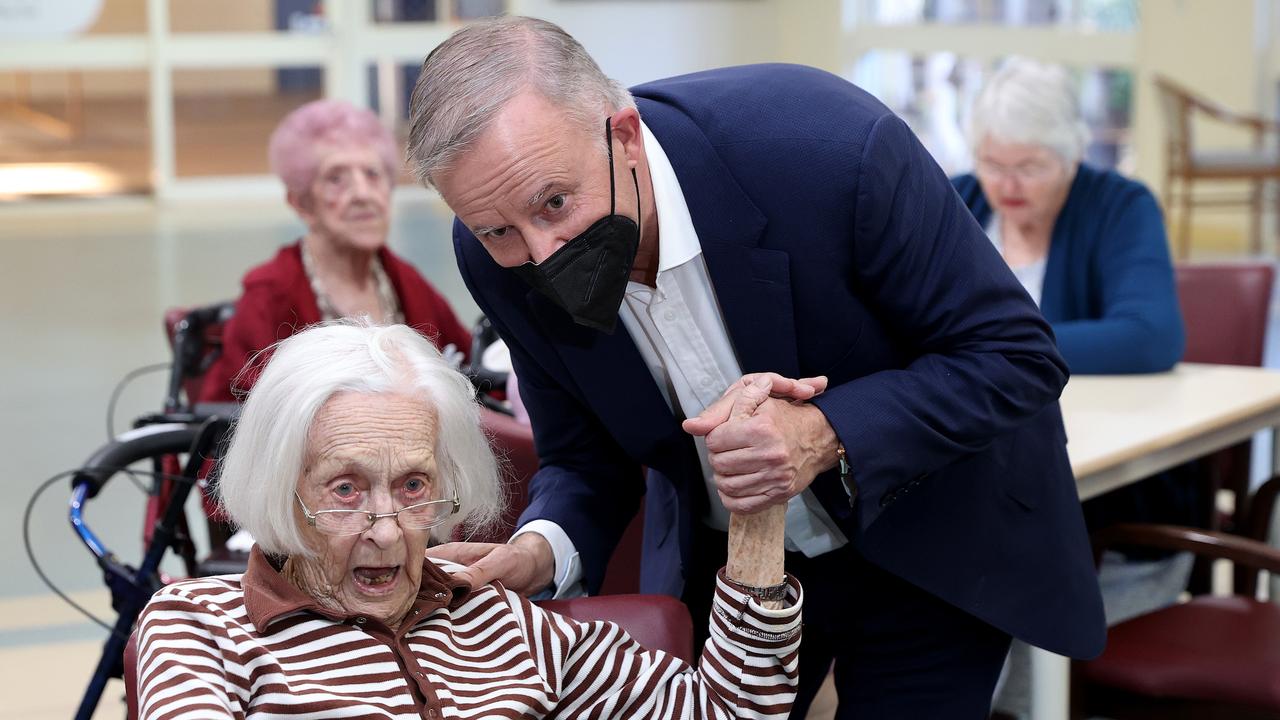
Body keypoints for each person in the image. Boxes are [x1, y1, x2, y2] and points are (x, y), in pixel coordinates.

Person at [407, 16, 1105, 718]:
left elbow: (1015, 355)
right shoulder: (491, 256)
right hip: (729, 572)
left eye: (555, 202)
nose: (541, 252)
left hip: (929, 537)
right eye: (499, 230)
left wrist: (823, 431)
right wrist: (539, 550)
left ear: (623, 135)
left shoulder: (826, 148)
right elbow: (584, 458)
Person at [135, 322, 803, 719]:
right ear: (283, 489)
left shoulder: (500, 619)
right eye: (346, 489)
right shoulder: (200, 627)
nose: (389, 531)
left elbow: (725, 713)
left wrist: (757, 521)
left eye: (414, 485)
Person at [952, 58, 1190, 719]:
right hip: (983, 482)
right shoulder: (960, 200)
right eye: (992, 162)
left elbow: (1148, 336)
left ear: (1073, 155)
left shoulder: (1118, 205)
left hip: (1110, 506)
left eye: (1029, 166)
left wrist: (1001, 353)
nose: (1006, 184)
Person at [199, 99, 472, 404]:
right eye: (336, 179)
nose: (362, 194)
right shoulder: (269, 295)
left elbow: (471, 375)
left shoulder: (404, 281)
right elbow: (229, 424)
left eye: (372, 174)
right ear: (301, 203)